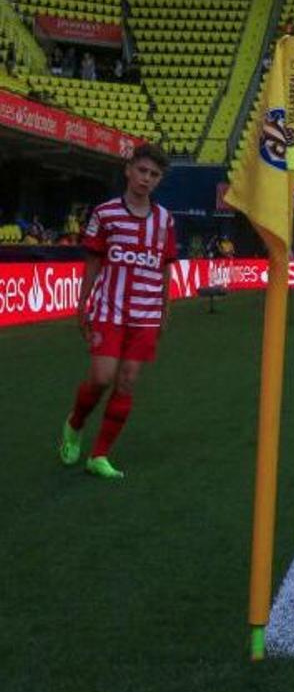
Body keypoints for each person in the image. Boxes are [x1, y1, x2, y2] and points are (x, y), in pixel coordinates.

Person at [57, 144, 176, 479]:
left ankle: (99, 455)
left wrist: (165, 307)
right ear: (128, 170)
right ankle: (75, 422)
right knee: (102, 377)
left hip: (146, 312)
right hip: (110, 309)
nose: (146, 179)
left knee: (127, 382)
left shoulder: (165, 219)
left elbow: (165, 267)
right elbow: (93, 260)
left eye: (154, 175)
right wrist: (83, 303)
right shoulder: (105, 214)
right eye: (142, 171)